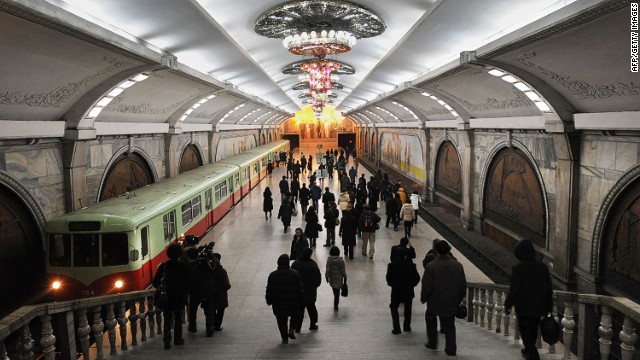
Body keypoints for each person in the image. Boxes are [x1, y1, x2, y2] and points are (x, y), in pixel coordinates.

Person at [504, 239, 553, 360]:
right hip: (538, 310)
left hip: (524, 310)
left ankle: (532, 355)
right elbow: (548, 290)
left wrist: (508, 305)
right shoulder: (542, 267)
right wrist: (549, 308)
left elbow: (514, 290)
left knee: (528, 340)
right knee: (532, 336)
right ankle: (528, 353)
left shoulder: (518, 269)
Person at [421, 240, 467, 356]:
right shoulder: (457, 265)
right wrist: (459, 298)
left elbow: (427, 285)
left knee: (430, 319)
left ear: (436, 251)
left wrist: (424, 298)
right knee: (450, 324)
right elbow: (462, 285)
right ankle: (451, 349)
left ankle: (432, 343)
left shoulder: (431, 266)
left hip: (434, 300)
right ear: (449, 250)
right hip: (451, 300)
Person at [153, 244, 190, 349]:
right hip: (179, 297)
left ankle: (167, 341)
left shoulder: (163, 267)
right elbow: (189, 283)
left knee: (167, 318)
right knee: (178, 317)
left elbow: (155, 283)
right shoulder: (184, 267)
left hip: (166, 297)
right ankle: (178, 339)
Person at [266, 254, 304, 344]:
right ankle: (292, 329)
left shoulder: (273, 275)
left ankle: (284, 338)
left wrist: (269, 300)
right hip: (292, 301)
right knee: (295, 315)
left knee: (281, 320)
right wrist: (301, 299)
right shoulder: (295, 273)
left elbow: (269, 290)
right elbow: (300, 288)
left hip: (278, 303)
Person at [387, 249, 421, 334]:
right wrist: (412, 285)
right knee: (408, 308)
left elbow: (388, 278)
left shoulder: (391, 265)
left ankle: (396, 328)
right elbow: (417, 278)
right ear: (405, 256)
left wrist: (393, 285)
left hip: (396, 291)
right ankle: (406, 326)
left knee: (394, 307)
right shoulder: (411, 265)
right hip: (408, 290)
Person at [187, 247, 217, 337]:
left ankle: (192, 327)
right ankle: (209, 330)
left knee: (192, 309)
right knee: (209, 312)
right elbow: (214, 266)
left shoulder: (191, 267)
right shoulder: (207, 265)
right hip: (207, 291)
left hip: (195, 292)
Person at [291, 248, 322, 332]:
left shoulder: (295, 264)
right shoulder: (312, 265)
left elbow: (292, 277)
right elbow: (317, 280)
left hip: (298, 291)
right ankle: (312, 324)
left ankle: (297, 327)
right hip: (310, 291)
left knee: (299, 310)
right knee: (311, 308)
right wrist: (314, 285)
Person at [211, 253, 231, 332]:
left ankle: (212, 324)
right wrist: (227, 287)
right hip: (221, 294)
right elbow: (226, 284)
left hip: (211, 294)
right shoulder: (222, 271)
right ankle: (217, 326)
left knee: (212, 310)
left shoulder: (209, 271)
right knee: (220, 311)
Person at [325, 246, 347, 310]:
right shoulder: (341, 260)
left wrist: (326, 276)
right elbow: (343, 271)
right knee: (337, 292)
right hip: (339, 278)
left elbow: (327, 269)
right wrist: (345, 277)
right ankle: (336, 304)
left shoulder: (329, 260)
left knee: (335, 291)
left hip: (332, 279)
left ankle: (335, 303)